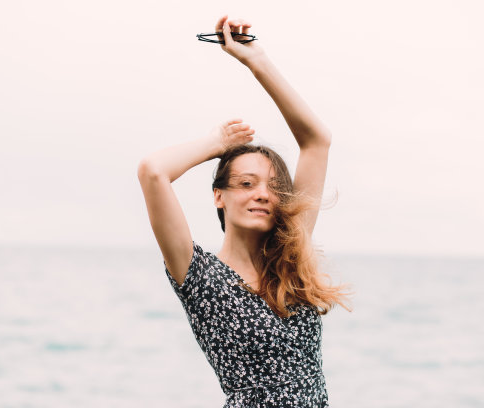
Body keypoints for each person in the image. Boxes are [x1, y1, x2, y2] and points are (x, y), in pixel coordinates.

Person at [138, 15, 349, 408]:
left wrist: (257, 60)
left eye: (273, 186)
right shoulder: (199, 275)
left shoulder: (290, 258)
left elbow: (317, 141)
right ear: (219, 196)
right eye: (247, 183)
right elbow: (154, 172)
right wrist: (217, 143)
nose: (262, 194)